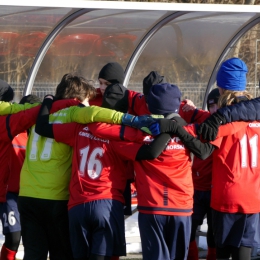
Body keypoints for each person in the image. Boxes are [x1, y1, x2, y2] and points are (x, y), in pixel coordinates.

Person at [34, 91, 171, 260]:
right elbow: (149, 151)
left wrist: (49, 101)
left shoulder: (79, 127)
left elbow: (43, 128)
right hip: (106, 203)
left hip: (77, 205)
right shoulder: (122, 135)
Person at [150, 57, 260, 260]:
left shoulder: (225, 124)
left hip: (228, 197)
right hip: (253, 199)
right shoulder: (254, 116)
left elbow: (201, 144)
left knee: (222, 253)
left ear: (221, 88)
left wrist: (174, 127)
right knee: (245, 254)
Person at [0, 94, 42, 260]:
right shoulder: (11, 130)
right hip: (9, 194)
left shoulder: (38, 135)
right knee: (14, 237)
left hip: (30, 194)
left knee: (32, 239)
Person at [181, 89, 219, 260]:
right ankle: (192, 255)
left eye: (217, 104)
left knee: (214, 230)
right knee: (190, 225)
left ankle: (212, 255)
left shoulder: (230, 124)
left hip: (216, 188)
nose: (215, 109)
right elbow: (180, 108)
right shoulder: (203, 117)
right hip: (196, 185)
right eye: (211, 105)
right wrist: (185, 104)